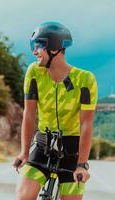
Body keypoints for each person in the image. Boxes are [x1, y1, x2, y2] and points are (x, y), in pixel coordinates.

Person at [13, 21, 98, 200]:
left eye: (38, 46)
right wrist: (24, 152)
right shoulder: (34, 72)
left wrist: (81, 164)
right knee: (22, 196)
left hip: (72, 152)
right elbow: (29, 115)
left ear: (54, 48)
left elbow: (86, 124)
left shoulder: (85, 80)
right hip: (43, 145)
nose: (34, 52)